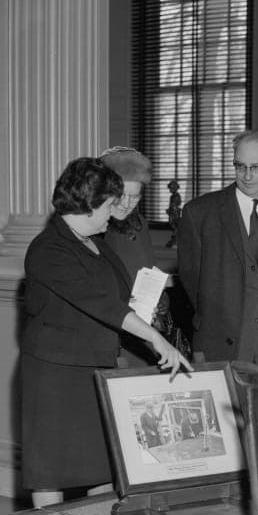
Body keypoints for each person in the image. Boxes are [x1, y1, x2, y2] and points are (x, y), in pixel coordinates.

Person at [21, 157, 190, 509]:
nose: (115, 213)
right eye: (110, 204)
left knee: (101, 466)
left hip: (95, 368)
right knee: (52, 470)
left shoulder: (94, 241)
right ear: (89, 203)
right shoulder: (49, 249)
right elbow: (102, 305)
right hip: (55, 377)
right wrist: (155, 339)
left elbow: (116, 297)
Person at [176, 130, 258, 472]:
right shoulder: (199, 212)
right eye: (240, 166)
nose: (247, 176)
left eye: (257, 167)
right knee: (221, 442)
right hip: (223, 343)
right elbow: (191, 283)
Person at [98, 146, 176, 367]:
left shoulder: (138, 223)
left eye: (135, 196)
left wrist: (161, 300)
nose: (127, 204)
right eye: (121, 195)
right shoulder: (93, 229)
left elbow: (147, 269)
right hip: (111, 335)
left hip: (142, 334)